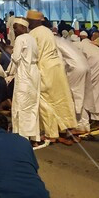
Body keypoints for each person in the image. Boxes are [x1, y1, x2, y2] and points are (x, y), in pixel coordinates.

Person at [27, 10, 77, 142]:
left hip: (45, 69)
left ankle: (51, 133)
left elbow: (32, 55)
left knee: (46, 101)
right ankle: (68, 128)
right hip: (57, 67)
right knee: (62, 98)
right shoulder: (48, 31)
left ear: (35, 21)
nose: (28, 23)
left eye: (29, 21)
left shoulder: (32, 34)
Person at [6, 18, 41, 142]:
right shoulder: (32, 38)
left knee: (21, 105)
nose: (14, 31)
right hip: (34, 73)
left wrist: (10, 51)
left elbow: (16, 58)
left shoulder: (20, 39)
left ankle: (22, 136)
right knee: (32, 105)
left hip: (24, 74)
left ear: (23, 28)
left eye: (15, 28)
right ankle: (33, 135)